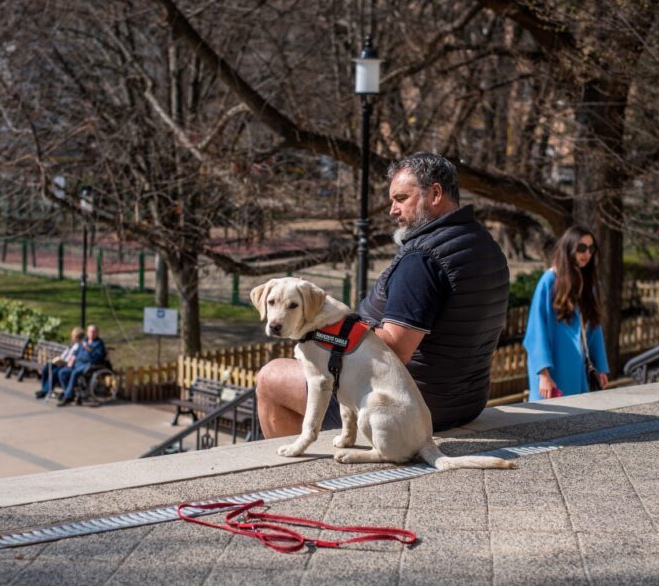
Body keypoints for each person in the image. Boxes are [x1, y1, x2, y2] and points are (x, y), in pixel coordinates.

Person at [256, 152, 510, 436]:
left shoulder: (423, 260)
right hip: (465, 401)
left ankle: (292, 471)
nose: (392, 210)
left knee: (270, 378)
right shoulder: (483, 243)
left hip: (408, 405)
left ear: (435, 194)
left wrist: (323, 318)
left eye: (401, 198)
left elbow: (395, 350)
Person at [523, 225, 610, 401]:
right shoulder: (549, 281)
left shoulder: (589, 285)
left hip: (579, 372)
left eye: (591, 248)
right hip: (553, 372)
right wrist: (544, 374)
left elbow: (594, 328)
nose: (587, 254)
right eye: (581, 248)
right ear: (569, 248)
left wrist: (600, 367)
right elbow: (536, 332)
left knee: (578, 422)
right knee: (548, 423)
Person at [55, 324, 106, 407]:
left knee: (75, 373)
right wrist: (72, 359)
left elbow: (98, 357)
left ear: (97, 333)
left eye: (94, 332)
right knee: (62, 372)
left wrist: (89, 349)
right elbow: (76, 351)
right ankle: (70, 394)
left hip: (89, 364)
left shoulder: (98, 343)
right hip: (78, 363)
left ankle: (67, 396)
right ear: (87, 332)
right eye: (90, 331)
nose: (92, 333)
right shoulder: (84, 340)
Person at [35, 327, 84, 399]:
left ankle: (46, 391)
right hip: (61, 362)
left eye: (73, 336)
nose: (72, 338)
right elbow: (64, 354)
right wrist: (58, 359)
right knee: (47, 367)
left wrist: (64, 362)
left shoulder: (80, 346)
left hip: (67, 364)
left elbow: (73, 359)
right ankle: (44, 389)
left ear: (77, 337)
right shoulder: (72, 345)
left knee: (55, 372)